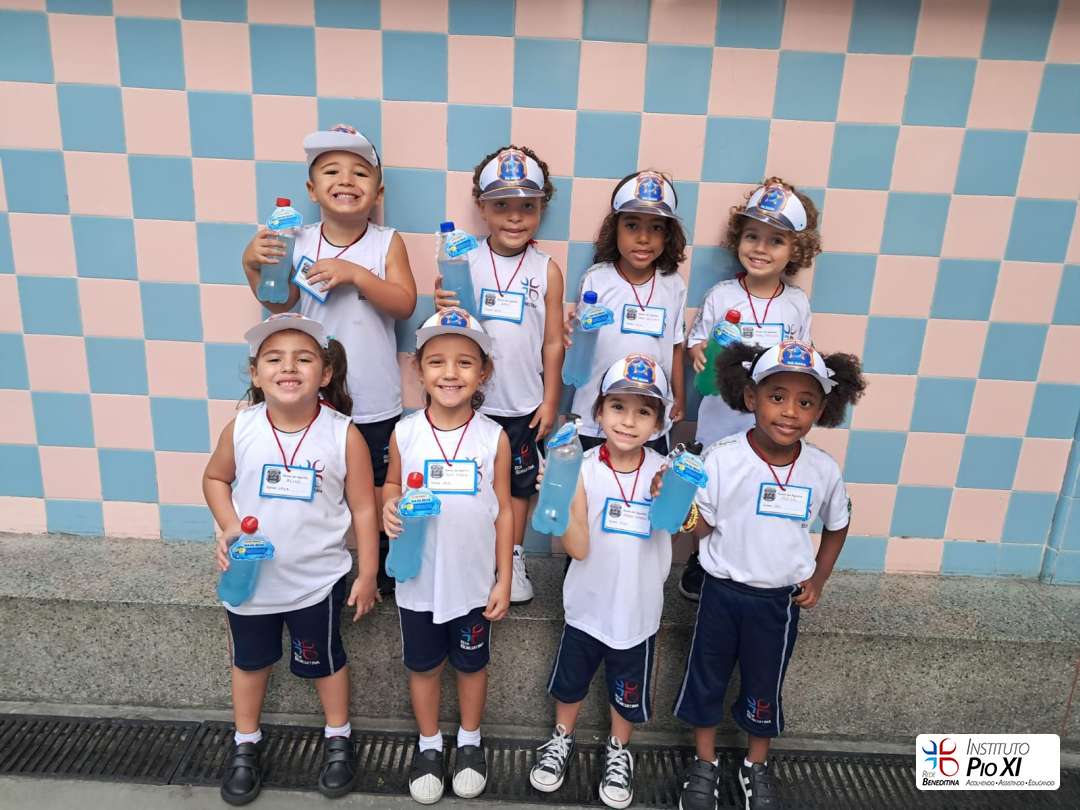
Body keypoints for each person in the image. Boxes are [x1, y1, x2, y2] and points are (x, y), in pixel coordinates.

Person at [672, 340, 866, 810]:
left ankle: (755, 766)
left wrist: (818, 579)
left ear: (823, 409)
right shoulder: (721, 457)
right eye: (777, 396)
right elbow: (704, 526)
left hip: (778, 603)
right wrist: (680, 504)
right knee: (706, 679)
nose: (790, 412)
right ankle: (704, 763)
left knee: (764, 685)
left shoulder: (822, 470)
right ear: (750, 397)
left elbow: (838, 524)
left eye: (806, 402)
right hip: (720, 594)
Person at [203, 313, 381, 806]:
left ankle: (338, 737)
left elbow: (365, 508)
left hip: (316, 582)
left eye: (303, 359)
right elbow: (215, 479)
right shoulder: (242, 427)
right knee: (250, 662)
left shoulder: (342, 434)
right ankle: (245, 743)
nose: (288, 368)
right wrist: (230, 525)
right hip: (249, 579)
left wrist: (368, 572)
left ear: (325, 373)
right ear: (256, 373)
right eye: (274, 359)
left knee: (324, 662)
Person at [241, 124, 417, 596]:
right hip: (312, 397)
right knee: (318, 477)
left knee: (376, 485)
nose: (346, 180)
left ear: (378, 191)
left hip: (374, 397)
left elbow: (404, 304)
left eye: (360, 172)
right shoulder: (295, 239)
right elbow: (278, 303)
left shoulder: (386, 242)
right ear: (311, 189)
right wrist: (250, 263)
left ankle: (378, 567)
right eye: (331, 171)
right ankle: (321, 562)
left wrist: (356, 274)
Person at [529, 354, 675, 809]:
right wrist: (557, 496)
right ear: (598, 411)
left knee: (627, 691)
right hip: (586, 606)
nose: (628, 421)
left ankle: (618, 749)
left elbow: (679, 522)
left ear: (659, 423)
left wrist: (672, 496)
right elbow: (578, 548)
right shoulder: (582, 467)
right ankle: (561, 738)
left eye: (644, 411)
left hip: (638, 610)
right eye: (617, 407)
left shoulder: (665, 473)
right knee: (571, 681)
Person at [382, 308, 513, 804]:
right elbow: (391, 484)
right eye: (436, 361)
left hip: (473, 583)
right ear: (418, 370)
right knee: (423, 666)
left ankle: (471, 742)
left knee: (472, 665)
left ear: (483, 372)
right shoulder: (405, 432)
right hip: (418, 579)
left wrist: (503, 578)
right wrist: (388, 505)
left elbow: (504, 510)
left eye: (464, 362)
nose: (450, 373)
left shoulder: (493, 437)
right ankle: (430, 744)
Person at [434, 145, 565, 606]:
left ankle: (513, 556)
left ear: (541, 208)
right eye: (502, 204)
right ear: (482, 206)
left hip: (524, 404)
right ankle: (473, 554)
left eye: (527, 206)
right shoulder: (463, 259)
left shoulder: (547, 270)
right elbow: (451, 327)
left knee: (520, 486)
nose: (514, 217)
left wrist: (550, 399)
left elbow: (553, 341)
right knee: (474, 478)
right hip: (471, 404)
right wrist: (441, 304)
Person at [680, 178, 821, 603]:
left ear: (796, 249)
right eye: (752, 236)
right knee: (710, 489)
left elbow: (803, 361)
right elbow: (696, 341)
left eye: (776, 240)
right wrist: (699, 352)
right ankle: (700, 559)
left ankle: (748, 560)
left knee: (751, 489)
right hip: (719, 419)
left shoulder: (795, 304)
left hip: (766, 426)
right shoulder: (722, 296)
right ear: (737, 239)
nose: (760, 248)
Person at [565, 170, 688, 455]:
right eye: (632, 225)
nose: (644, 238)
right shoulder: (597, 279)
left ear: (668, 234)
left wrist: (679, 396)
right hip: (594, 413)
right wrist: (572, 331)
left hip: (648, 414)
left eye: (656, 227)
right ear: (615, 228)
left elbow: (675, 346)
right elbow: (581, 341)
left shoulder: (673, 285)